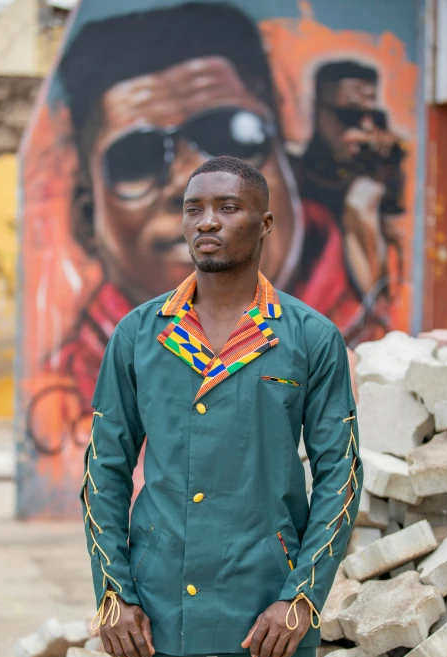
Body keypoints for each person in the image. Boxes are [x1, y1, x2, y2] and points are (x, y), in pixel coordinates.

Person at [81, 156, 363, 657]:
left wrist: (302, 598)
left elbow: (339, 475)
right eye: (194, 209)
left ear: (264, 223)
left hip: (268, 585)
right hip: (154, 589)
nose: (207, 222)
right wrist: (113, 594)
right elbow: (104, 469)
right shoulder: (140, 334)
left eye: (227, 208)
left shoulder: (308, 338)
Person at [50, 3, 351, 414]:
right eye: (137, 159)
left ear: (290, 166)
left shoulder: (324, 337)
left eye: (229, 133)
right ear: (87, 219)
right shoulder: (99, 363)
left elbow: (336, 462)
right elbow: (108, 462)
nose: (192, 182)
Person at [295, 60, 407, 336]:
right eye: (349, 116)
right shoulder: (295, 176)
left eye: (373, 117)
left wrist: (384, 173)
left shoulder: (376, 174)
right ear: (317, 111)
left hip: (357, 330)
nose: (366, 128)